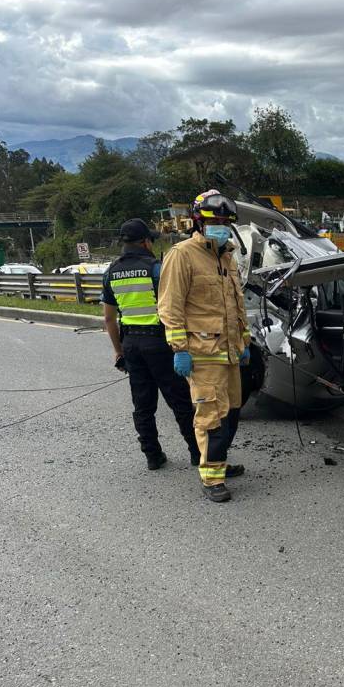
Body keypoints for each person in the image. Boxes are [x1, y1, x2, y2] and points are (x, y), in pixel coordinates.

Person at [157, 190, 250, 504]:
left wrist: (244, 340)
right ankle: (211, 476)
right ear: (198, 221)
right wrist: (179, 348)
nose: (221, 225)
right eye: (215, 220)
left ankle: (219, 461)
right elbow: (169, 307)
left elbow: (237, 307)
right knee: (212, 417)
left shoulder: (228, 256)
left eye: (226, 221)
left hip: (231, 353)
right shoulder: (182, 255)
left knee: (232, 413)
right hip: (202, 353)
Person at [102, 218, 199, 470]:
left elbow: (109, 318)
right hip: (160, 341)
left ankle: (152, 456)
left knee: (143, 405)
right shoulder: (156, 268)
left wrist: (118, 352)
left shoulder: (111, 272)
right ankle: (197, 453)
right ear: (145, 242)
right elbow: (174, 305)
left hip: (131, 343)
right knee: (180, 400)